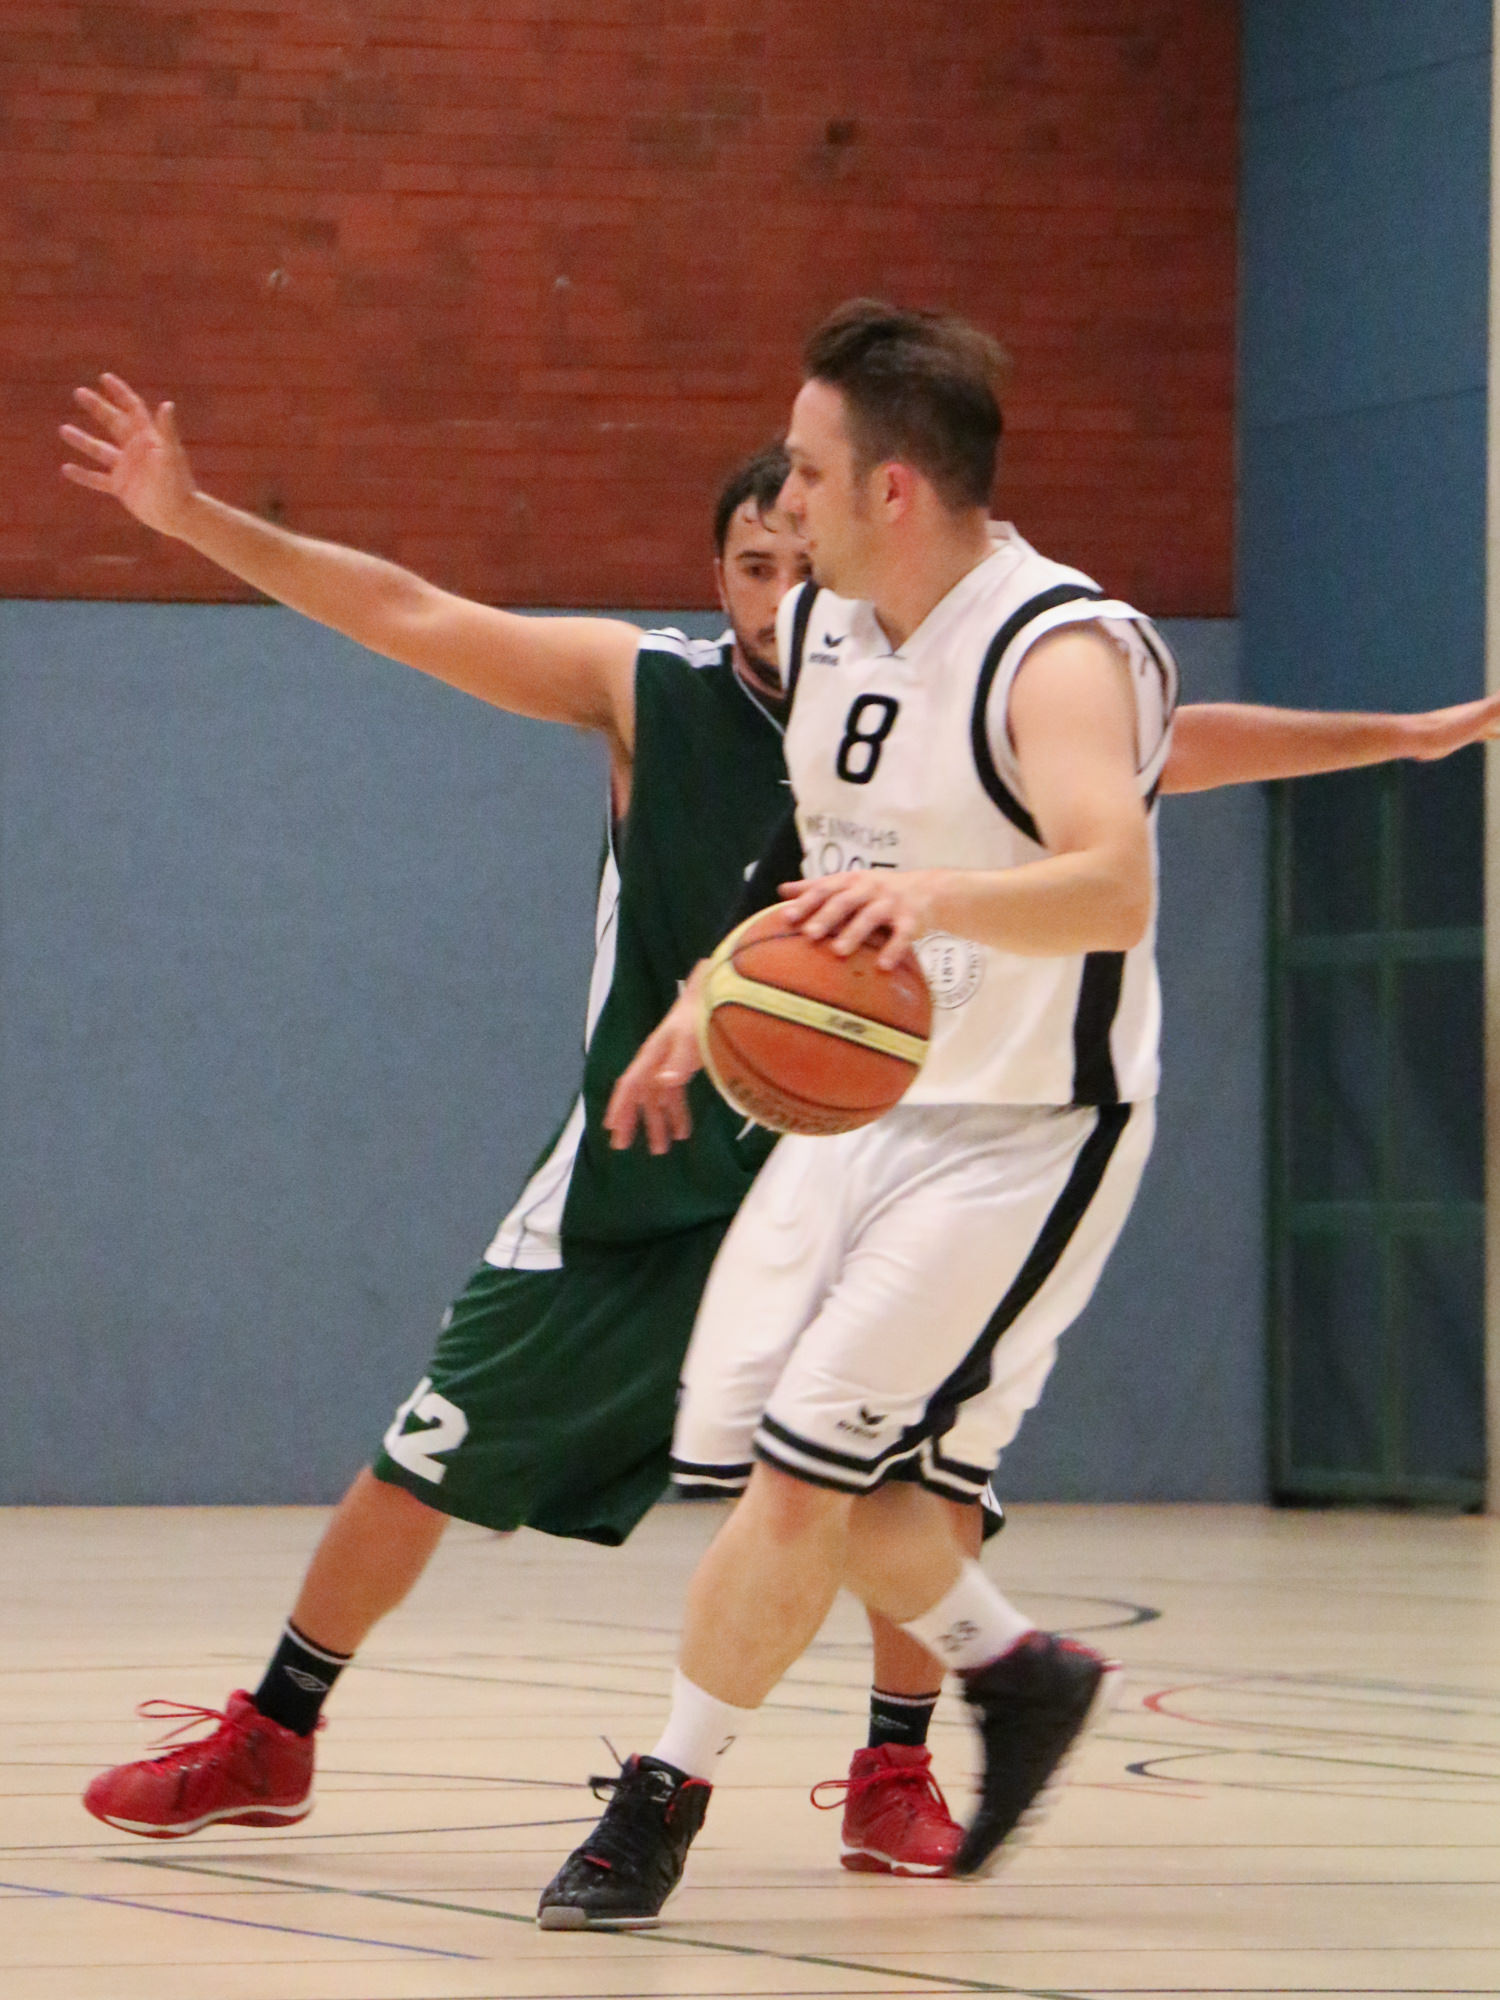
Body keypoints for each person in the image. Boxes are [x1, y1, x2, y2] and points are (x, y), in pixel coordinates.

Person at [60, 373, 1500, 1882]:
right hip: (644, 1167)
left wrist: (1396, 737)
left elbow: (1165, 746)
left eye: (802, 552)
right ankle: (275, 1732)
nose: (783, 584)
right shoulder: (655, 691)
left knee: (908, 1478)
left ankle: (894, 1765)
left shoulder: (939, 686)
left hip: (847, 1155)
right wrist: (193, 518)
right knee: (433, 1448)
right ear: (719, 576)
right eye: (756, 560)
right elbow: (410, 610)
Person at [534, 296, 1498, 1930]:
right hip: (866, 1117)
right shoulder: (831, 630)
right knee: (796, 1460)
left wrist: (937, 899)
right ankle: (1016, 1670)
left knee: (805, 1470)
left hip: (1026, 1126)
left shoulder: (1058, 648)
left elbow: (1112, 880)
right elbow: (816, 857)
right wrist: (709, 1001)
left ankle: (660, 1802)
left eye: (810, 471)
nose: (786, 499)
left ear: (893, 488)